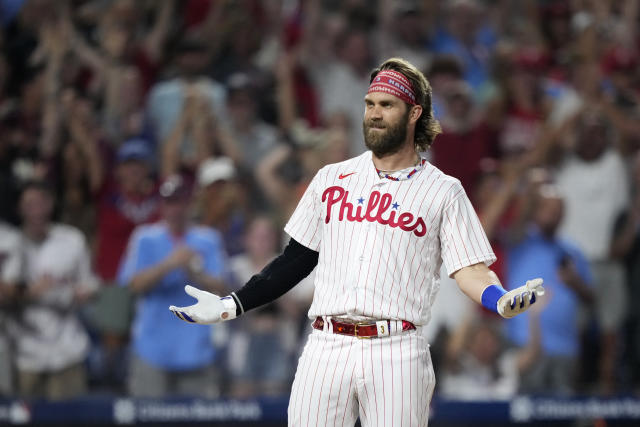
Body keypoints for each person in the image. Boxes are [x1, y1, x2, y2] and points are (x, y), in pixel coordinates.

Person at [170, 58, 544, 426]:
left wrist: (498, 299)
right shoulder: (331, 178)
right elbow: (295, 261)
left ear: (414, 113)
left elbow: (470, 268)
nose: (375, 113)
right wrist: (232, 304)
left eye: (387, 105)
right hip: (325, 345)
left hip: (397, 349)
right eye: (370, 104)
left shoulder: (444, 190)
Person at [117, 174, 229, 398]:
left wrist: (194, 272)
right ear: (161, 205)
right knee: (148, 418)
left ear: (190, 204)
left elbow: (223, 288)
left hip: (196, 348)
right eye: (169, 202)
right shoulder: (145, 238)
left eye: (180, 201)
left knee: (199, 421)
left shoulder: (208, 239)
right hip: (152, 350)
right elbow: (132, 284)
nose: (175, 208)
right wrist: (170, 263)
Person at [5, 182, 98, 400]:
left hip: (67, 350)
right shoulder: (7, 244)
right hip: (24, 354)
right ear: (19, 207)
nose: (36, 210)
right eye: (29, 204)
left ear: (51, 205)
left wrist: (79, 292)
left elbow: (91, 284)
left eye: (41, 203)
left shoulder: (71, 240)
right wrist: (28, 292)